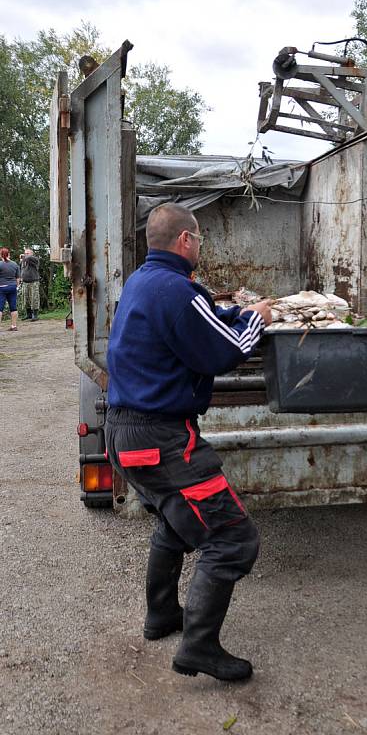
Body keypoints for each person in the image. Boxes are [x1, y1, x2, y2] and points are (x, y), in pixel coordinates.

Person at [104, 202, 272, 683]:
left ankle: (162, 616)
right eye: (199, 239)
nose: (200, 246)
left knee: (176, 525)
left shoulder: (142, 282)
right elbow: (226, 350)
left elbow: (201, 326)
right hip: (161, 439)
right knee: (232, 538)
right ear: (185, 240)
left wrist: (232, 312)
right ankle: (199, 647)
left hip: (126, 433)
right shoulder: (179, 289)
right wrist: (256, 316)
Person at [0, 248, 20, 331]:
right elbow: (18, 278)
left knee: (0, 308)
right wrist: (16, 286)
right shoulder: (15, 264)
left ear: (1, 255)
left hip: (2, 287)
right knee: (13, 307)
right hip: (12, 287)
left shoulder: (0, 264)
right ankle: (14, 326)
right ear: (9, 255)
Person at [20, 248, 40, 321]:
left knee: (34, 298)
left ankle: (35, 315)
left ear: (32, 254)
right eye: (25, 253)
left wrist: (25, 256)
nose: (25, 254)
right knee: (26, 299)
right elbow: (22, 270)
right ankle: (28, 315)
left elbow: (29, 258)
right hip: (25, 282)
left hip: (33, 282)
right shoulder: (24, 261)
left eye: (27, 253)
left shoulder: (35, 260)